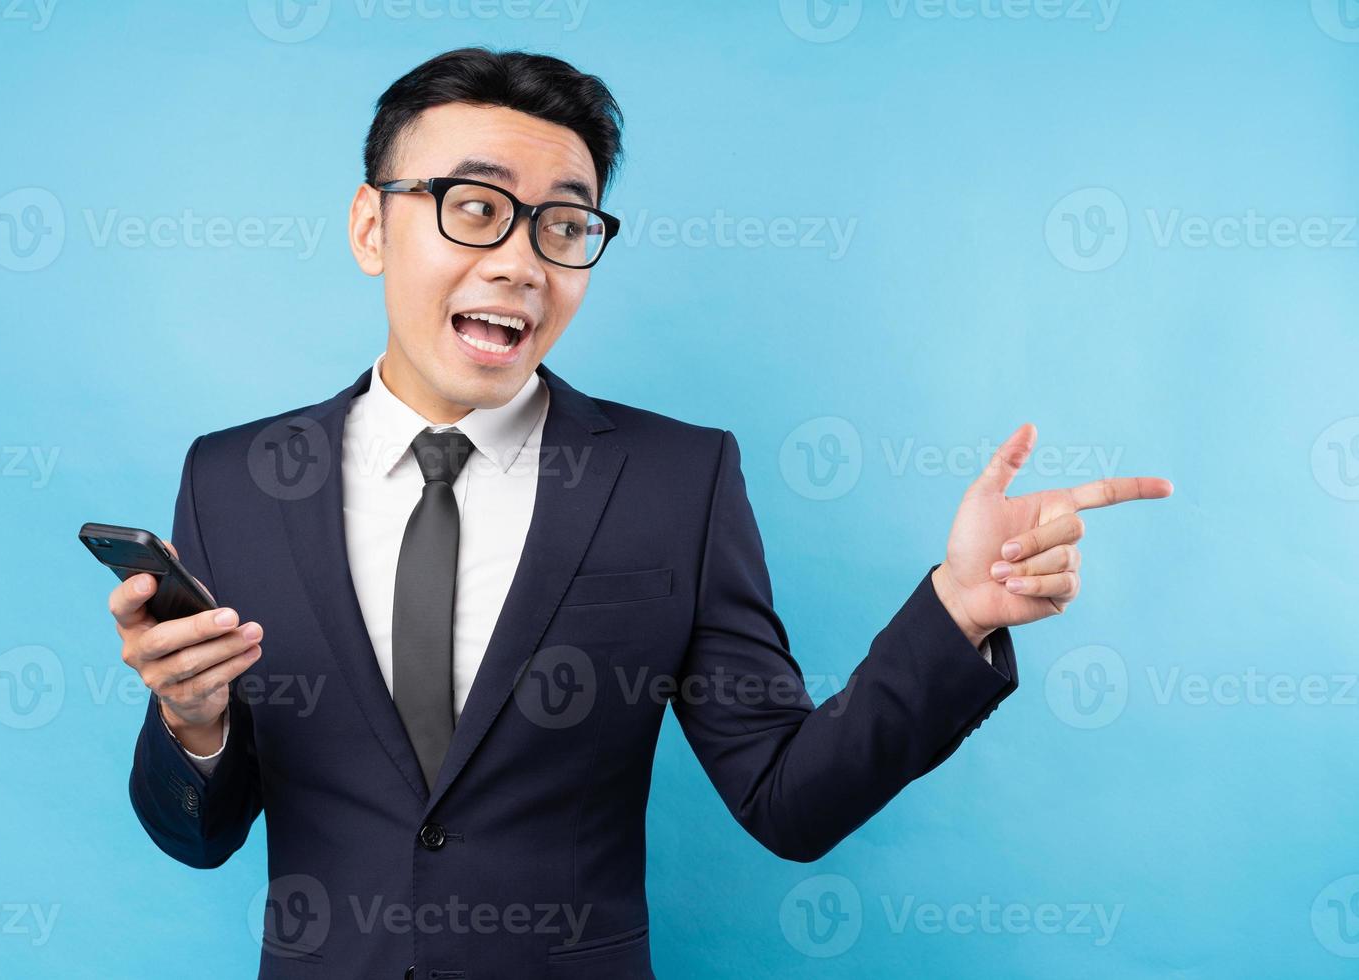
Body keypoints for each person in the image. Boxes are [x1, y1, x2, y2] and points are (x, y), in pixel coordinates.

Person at [108, 47, 1173, 980]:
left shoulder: (679, 480)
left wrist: (956, 610)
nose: (523, 260)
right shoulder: (236, 476)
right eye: (475, 207)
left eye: (564, 224)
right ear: (369, 225)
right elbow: (198, 835)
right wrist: (190, 726)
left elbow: (788, 797)